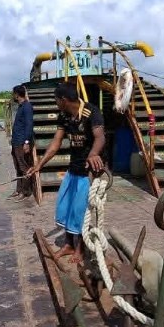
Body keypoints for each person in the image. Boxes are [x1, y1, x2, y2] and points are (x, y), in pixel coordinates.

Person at [27, 82, 105, 263]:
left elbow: (100, 137)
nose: (56, 103)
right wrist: (39, 165)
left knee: (80, 211)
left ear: (63, 100)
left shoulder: (92, 112)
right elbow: (56, 143)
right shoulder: (63, 116)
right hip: (73, 168)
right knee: (65, 207)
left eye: (56, 100)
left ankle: (80, 249)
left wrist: (93, 153)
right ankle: (69, 244)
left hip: (88, 171)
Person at [9, 85, 34, 200]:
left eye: (13, 94)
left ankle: (25, 191)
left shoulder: (27, 106)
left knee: (24, 167)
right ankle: (18, 190)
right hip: (16, 142)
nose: (12, 96)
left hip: (21, 142)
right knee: (18, 167)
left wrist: (27, 142)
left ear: (16, 94)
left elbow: (29, 125)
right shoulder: (21, 106)